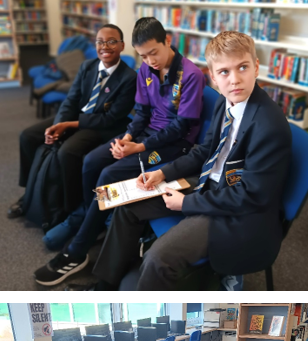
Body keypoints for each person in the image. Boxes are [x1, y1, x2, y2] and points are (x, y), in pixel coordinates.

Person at [67, 30, 293, 291]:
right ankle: (105, 285)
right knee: (127, 207)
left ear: (255, 67)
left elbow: (251, 197)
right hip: (210, 185)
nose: (234, 80)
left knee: (159, 258)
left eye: (242, 67)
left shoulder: (269, 125)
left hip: (237, 212)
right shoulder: (226, 101)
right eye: (224, 72)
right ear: (213, 77)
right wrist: (163, 173)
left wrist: (187, 202)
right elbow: (204, 149)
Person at [34, 17, 207, 287]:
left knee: (109, 174)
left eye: (154, 52)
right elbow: (141, 113)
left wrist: (138, 147)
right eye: (143, 56)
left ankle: (79, 249)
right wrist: (126, 138)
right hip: (143, 136)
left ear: (168, 42)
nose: (150, 61)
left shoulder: (192, 75)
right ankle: (95, 216)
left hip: (171, 147)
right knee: (91, 160)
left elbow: (180, 126)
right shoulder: (145, 70)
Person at [8, 24, 137, 220]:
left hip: (102, 125)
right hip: (77, 116)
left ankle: (68, 207)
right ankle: (30, 193)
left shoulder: (129, 78)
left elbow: (110, 118)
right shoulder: (87, 67)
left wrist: (68, 126)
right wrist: (57, 125)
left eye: (112, 42)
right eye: (100, 42)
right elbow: (71, 100)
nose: (105, 46)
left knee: (67, 151)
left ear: (122, 46)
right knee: (27, 136)